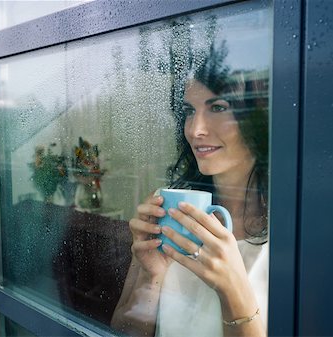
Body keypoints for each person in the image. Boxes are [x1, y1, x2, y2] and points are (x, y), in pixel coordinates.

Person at [111, 50, 269, 337]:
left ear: (256, 118)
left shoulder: (294, 236)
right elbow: (125, 332)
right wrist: (150, 274)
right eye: (189, 111)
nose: (196, 130)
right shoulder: (170, 213)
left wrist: (232, 290)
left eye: (218, 107)